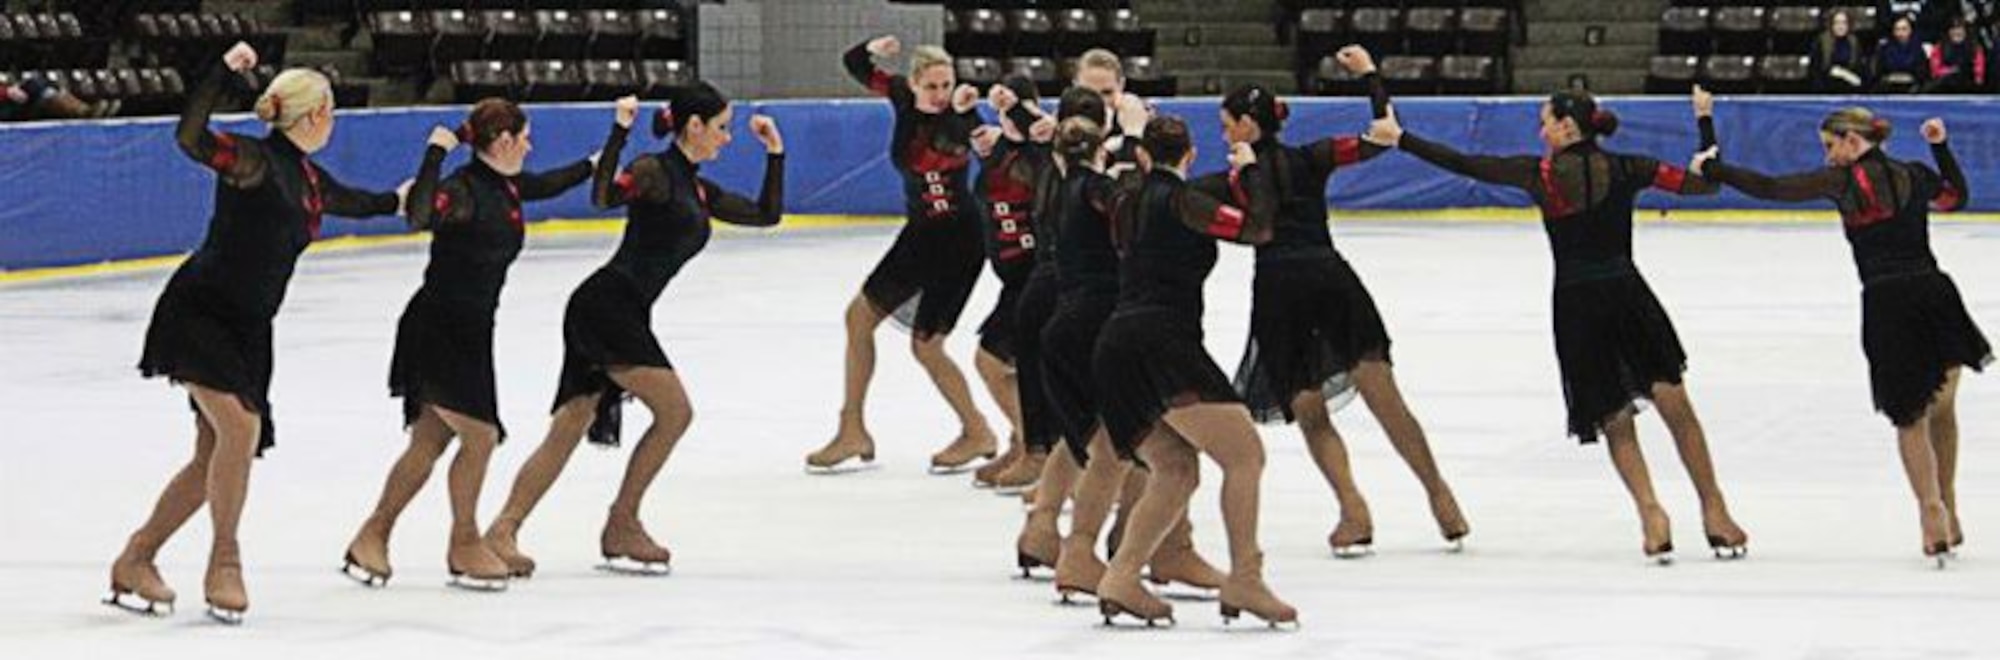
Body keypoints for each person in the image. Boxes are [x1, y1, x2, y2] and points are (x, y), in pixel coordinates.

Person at [1370, 88, 1750, 563]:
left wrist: (1402, 138)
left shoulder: (1539, 174)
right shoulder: (1632, 167)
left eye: (1545, 121)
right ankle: (1715, 510)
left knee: (1615, 418)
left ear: (1568, 127)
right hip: (1629, 295)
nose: (1540, 130)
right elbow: (1703, 186)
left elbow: (1465, 164)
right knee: (1676, 404)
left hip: (1577, 303)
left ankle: (1651, 513)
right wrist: (1706, 129)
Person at [106, 42, 407, 624]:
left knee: (214, 455)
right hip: (202, 313)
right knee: (239, 430)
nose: (334, 122)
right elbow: (190, 137)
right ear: (315, 115)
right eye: (332, 112)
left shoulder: (307, 179)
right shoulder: (252, 161)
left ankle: (136, 558)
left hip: (249, 329)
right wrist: (221, 71)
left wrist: (407, 196)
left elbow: (360, 202)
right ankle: (225, 561)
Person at [482, 89, 785, 577]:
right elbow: (602, 197)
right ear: (694, 126)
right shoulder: (654, 171)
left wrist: (776, 153)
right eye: (722, 127)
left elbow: (767, 215)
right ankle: (622, 522)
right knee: (675, 411)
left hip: (618, 310)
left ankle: (503, 529)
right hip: (608, 307)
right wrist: (619, 130)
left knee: (568, 429)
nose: (727, 138)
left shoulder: (696, 188)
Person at [1693, 104, 1983, 567]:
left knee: (1909, 414)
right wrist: (1940, 147)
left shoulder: (1844, 182)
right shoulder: (1913, 173)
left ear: (1853, 140)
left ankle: (1930, 509)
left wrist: (1717, 168)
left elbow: (1774, 188)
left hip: (1888, 302)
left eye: (1830, 146)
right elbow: (1955, 198)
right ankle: (1947, 504)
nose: (1827, 156)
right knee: (1943, 408)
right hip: (1935, 293)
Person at [341, 99, 595, 591]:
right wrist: (435, 154)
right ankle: (464, 542)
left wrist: (601, 155)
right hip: (438, 326)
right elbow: (417, 215)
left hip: (472, 329)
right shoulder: (460, 190)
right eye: (524, 137)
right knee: (479, 436)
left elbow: (553, 181)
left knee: (431, 441)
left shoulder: (507, 186)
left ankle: (372, 534)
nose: (529, 145)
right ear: (502, 142)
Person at [1226, 46, 1468, 558]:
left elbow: (1254, 222)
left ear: (1247, 124)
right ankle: (1432, 493)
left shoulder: (1245, 170)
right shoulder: (1312, 155)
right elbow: (1382, 135)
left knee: (1311, 407)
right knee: (1376, 396)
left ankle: (1355, 508)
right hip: (1328, 277)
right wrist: (1370, 77)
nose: (1225, 133)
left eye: (1229, 124)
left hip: (1281, 288)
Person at [1089, 116, 1292, 626]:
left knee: (1176, 469)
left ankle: (1121, 576)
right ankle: (1246, 577)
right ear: (1190, 155)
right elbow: (1259, 228)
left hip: (1117, 344)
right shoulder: (1182, 202)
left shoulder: (1126, 197)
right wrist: (1252, 175)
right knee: (1245, 456)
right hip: (1164, 341)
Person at [807, 35, 998, 473]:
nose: (940, 94)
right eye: (931, 86)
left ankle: (977, 430)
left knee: (927, 347)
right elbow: (854, 63)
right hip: (920, 235)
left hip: (959, 240)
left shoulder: (957, 122)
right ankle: (851, 428)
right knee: (858, 318)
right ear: (912, 84)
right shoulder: (898, 96)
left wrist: (968, 113)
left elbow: (964, 140)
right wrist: (873, 45)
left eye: (946, 85)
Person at [969, 76, 1058, 491]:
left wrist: (1015, 110)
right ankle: (1026, 440)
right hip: (1013, 278)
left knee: (994, 360)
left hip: (1037, 277)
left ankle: (1040, 448)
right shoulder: (1000, 149)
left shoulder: (1043, 153)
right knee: (1007, 364)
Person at [1812, 10, 1870, 92]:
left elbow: (1860, 70)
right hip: (1827, 88)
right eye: (1837, 23)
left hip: (1850, 89)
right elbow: (1816, 70)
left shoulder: (1854, 42)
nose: (1840, 26)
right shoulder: (1822, 41)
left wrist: (1846, 75)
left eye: (1844, 23)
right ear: (1831, 24)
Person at [1873, 15, 1931, 93]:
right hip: (1888, 87)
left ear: (1910, 30)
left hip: (1912, 88)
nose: (1900, 33)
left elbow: (1922, 74)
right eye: (1897, 29)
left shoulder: (1918, 49)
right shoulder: (1884, 48)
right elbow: (1879, 72)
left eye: (1904, 29)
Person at [1927, 17, 1987, 93]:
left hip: (1968, 84)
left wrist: (1977, 77)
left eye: (1959, 29)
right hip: (1945, 84)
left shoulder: (1975, 47)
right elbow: (1935, 71)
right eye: (1953, 29)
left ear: (1965, 31)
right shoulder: (1940, 47)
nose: (1957, 32)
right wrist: (1951, 71)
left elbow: (1979, 72)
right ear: (1949, 31)